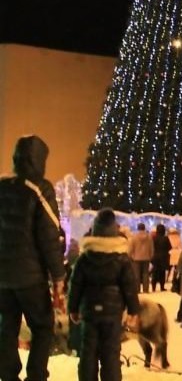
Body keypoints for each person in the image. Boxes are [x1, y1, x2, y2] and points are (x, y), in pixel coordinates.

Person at [0, 135, 67, 381]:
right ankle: (36, 375)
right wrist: (59, 276)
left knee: (7, 326)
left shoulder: (2, 186)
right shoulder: (40, 188)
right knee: (42, 325)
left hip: (2, 279)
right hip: (30, 278)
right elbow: (50, 237)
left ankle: (7, 375)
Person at [67, 208, 140, 381]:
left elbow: (75, 285)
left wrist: (73, 308)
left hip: (89, 313)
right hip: (112, 314)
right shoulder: (121, 259)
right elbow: (130, 286)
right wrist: (133, 310)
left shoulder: (84, 258)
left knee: (88, 351)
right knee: (111, 353)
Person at [128, 222, 154, 294]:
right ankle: (146, 289)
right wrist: (151, 256)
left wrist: (130, 256)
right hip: (146, 257)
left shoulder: (134, 237)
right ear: (144, 228)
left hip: (136, 258)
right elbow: (151, 248)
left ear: (138, 228)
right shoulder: (149, 237)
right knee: (146, 274)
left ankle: (137, 289)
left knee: (137, 275)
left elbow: (131, 248)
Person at [151, 224, 171, 292]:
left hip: (155, 257)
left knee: (155, 272)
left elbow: (152, 247)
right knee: (162, 273)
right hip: (163, 257)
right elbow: (170, 247)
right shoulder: (166, 238)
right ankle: (162, 287)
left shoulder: (154, 238)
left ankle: (153, 287)